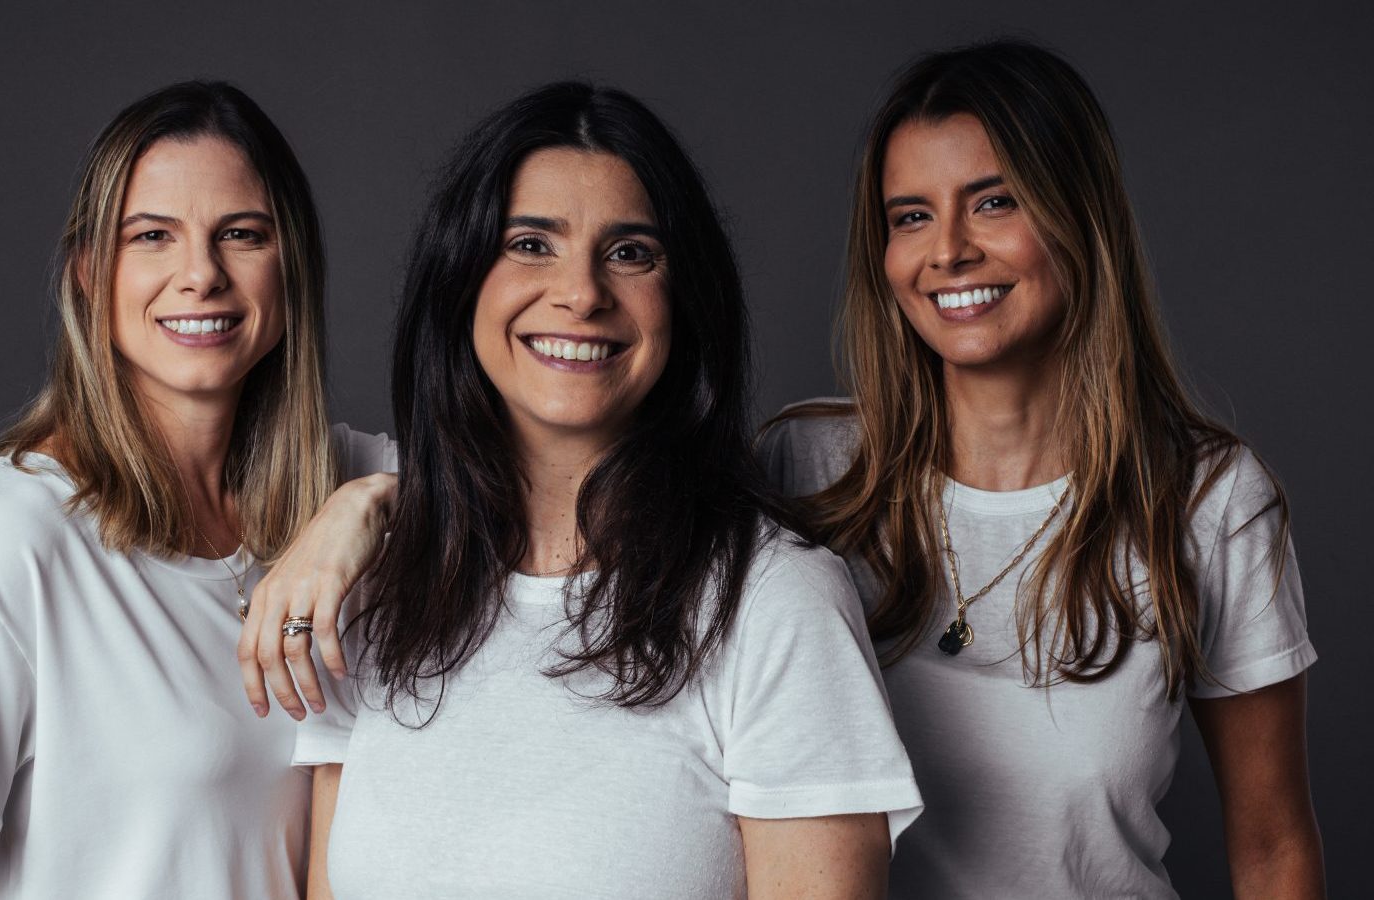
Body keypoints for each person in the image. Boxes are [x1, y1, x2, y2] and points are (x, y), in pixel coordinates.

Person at [252, 82, 921, 899]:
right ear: (461, 280)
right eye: (531, 244)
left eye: (631, 252)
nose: (581, 292)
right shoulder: (371, 596)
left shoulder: (777, 604)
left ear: (684, 300)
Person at [759, 40, 1324, 898]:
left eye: (994, 202)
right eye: (910, 216)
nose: (946, 251)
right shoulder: (801, 472)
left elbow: (1274, 846)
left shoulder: (1209, 500)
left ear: (1077, 216)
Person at [0, 81, 395, 899]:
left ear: (293, 264)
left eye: (242, 234)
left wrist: (364, 506)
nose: (200, 275)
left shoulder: (344, 484)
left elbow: (558, 487)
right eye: (152, 236)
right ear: (87, 271)